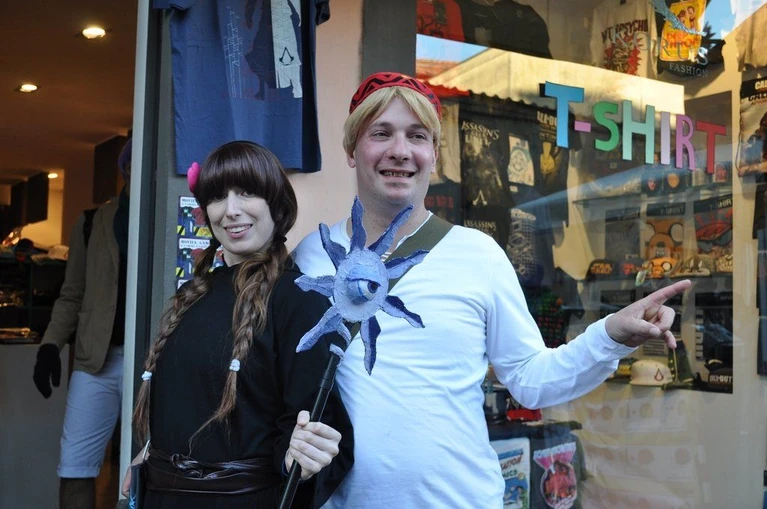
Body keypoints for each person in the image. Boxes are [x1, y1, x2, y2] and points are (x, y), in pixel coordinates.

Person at [292, 72, 692, 508]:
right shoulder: (310, 257)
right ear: (352, 149)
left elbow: (529, 378)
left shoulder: (477, 255)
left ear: (435, 153)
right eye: (381, 133)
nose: (400, 151)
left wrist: (610, 336)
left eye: (417, 136)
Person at [122, 141, 352, 508]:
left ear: (277, 205)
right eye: (217, 196)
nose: (230, 210)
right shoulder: (192, 295)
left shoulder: (298, 300)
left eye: (246, 192)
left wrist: (302, 455)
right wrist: (151, 455)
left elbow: (314, 427)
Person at [32, 138, 132, 509]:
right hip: (95, 361)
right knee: (75, 466)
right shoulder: (92, 222)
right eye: (131, 164)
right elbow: (72, 293)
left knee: (152, 464)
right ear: (124, 169)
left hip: (153, 360)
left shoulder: (169, 215)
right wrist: (50, 346)